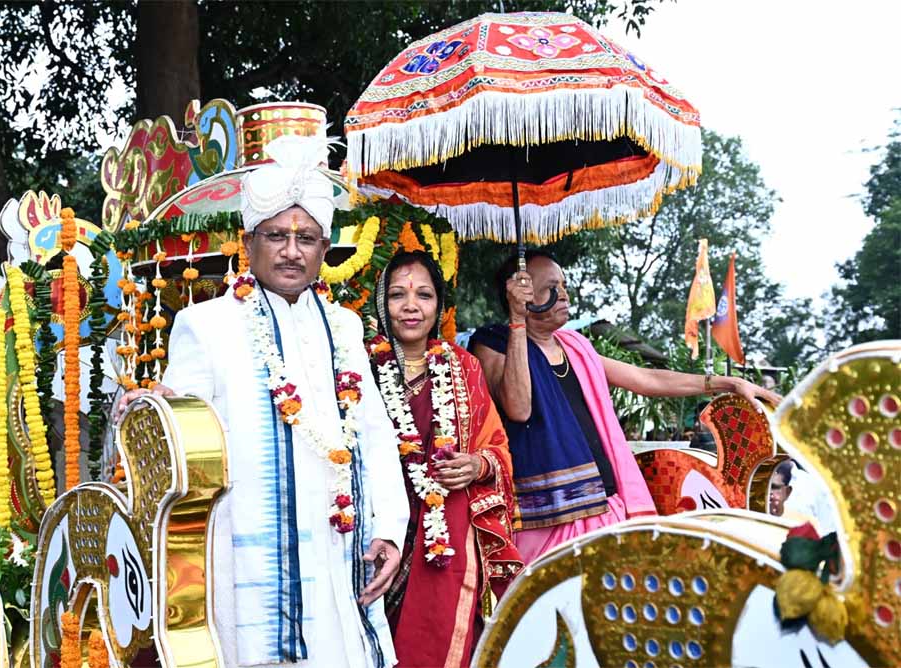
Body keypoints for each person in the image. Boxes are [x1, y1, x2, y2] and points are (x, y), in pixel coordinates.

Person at [115, 135, 409, 668]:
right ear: (249, 243)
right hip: (249, 557)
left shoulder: (345, 327)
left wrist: (389, 529)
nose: (292, 251)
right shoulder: (205, 325)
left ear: (324, 250)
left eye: (307, 238)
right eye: (276, 235)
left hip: (338, 546)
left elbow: (373, 434)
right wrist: (152, 410)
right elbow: (181, 436)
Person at [470, 250, 782, 564]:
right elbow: (519, 408)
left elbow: (646, 379)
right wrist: (518, 322)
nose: (564, 294)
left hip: (605, 508)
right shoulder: (492, 342)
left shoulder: (574, 346)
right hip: (542, 524)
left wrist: (729, 383)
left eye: (564, 285)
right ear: (520, 292)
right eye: (552, 287)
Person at [368, 250, 522, 668]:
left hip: (443, 531)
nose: (411, 306)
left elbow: (497, 447)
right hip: (373, 527)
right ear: (381, 302)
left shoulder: (464, 367)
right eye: (397, 295)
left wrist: (477, 465)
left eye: (424, 295)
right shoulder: (358, 367)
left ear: (439, 305)